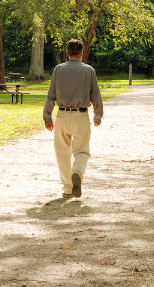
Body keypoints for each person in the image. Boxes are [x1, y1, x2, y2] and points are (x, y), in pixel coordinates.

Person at [43, 39, 103, 198]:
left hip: (62, 115)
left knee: (62, 153)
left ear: (67, 53)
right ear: (82, 53)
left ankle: (68, 188)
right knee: (82, 151)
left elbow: (51, 96)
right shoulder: (89, 70)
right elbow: (95, 95)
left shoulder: (58, 69)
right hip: (81, 115)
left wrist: (47, 117)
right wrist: (97, 115)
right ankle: (77, 172)